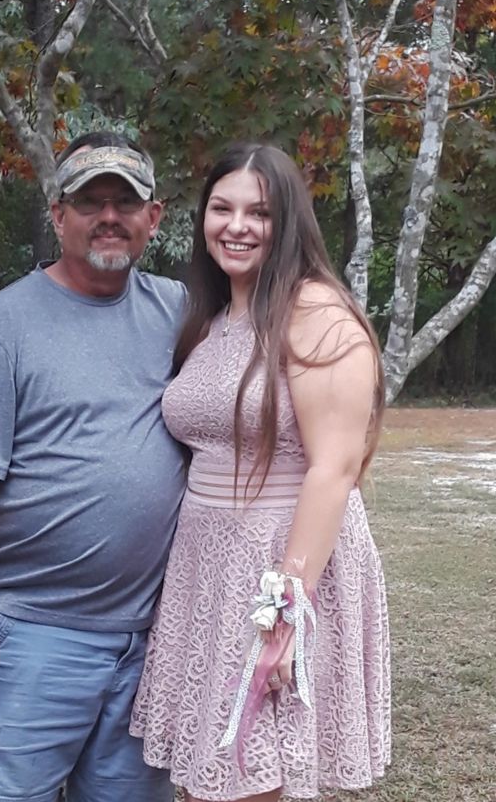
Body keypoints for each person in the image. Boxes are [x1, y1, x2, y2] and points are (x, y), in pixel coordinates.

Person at [0, 131, 186, 802]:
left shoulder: (181, 313)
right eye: (90, 201)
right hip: (31, 638)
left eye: (125, 202)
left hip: (150, 641)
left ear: (154, 217)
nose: (109, 216)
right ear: (58, 213)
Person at [130, 142, 391, 802]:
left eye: (260, 212)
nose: (237, 226)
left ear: (289, 222)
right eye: (222, 208)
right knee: (205, 778)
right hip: (206, 566)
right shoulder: (212, 317)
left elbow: (334, 467)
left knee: (249, 773)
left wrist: (286, 613)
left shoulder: (315, 311)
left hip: (280, 565)